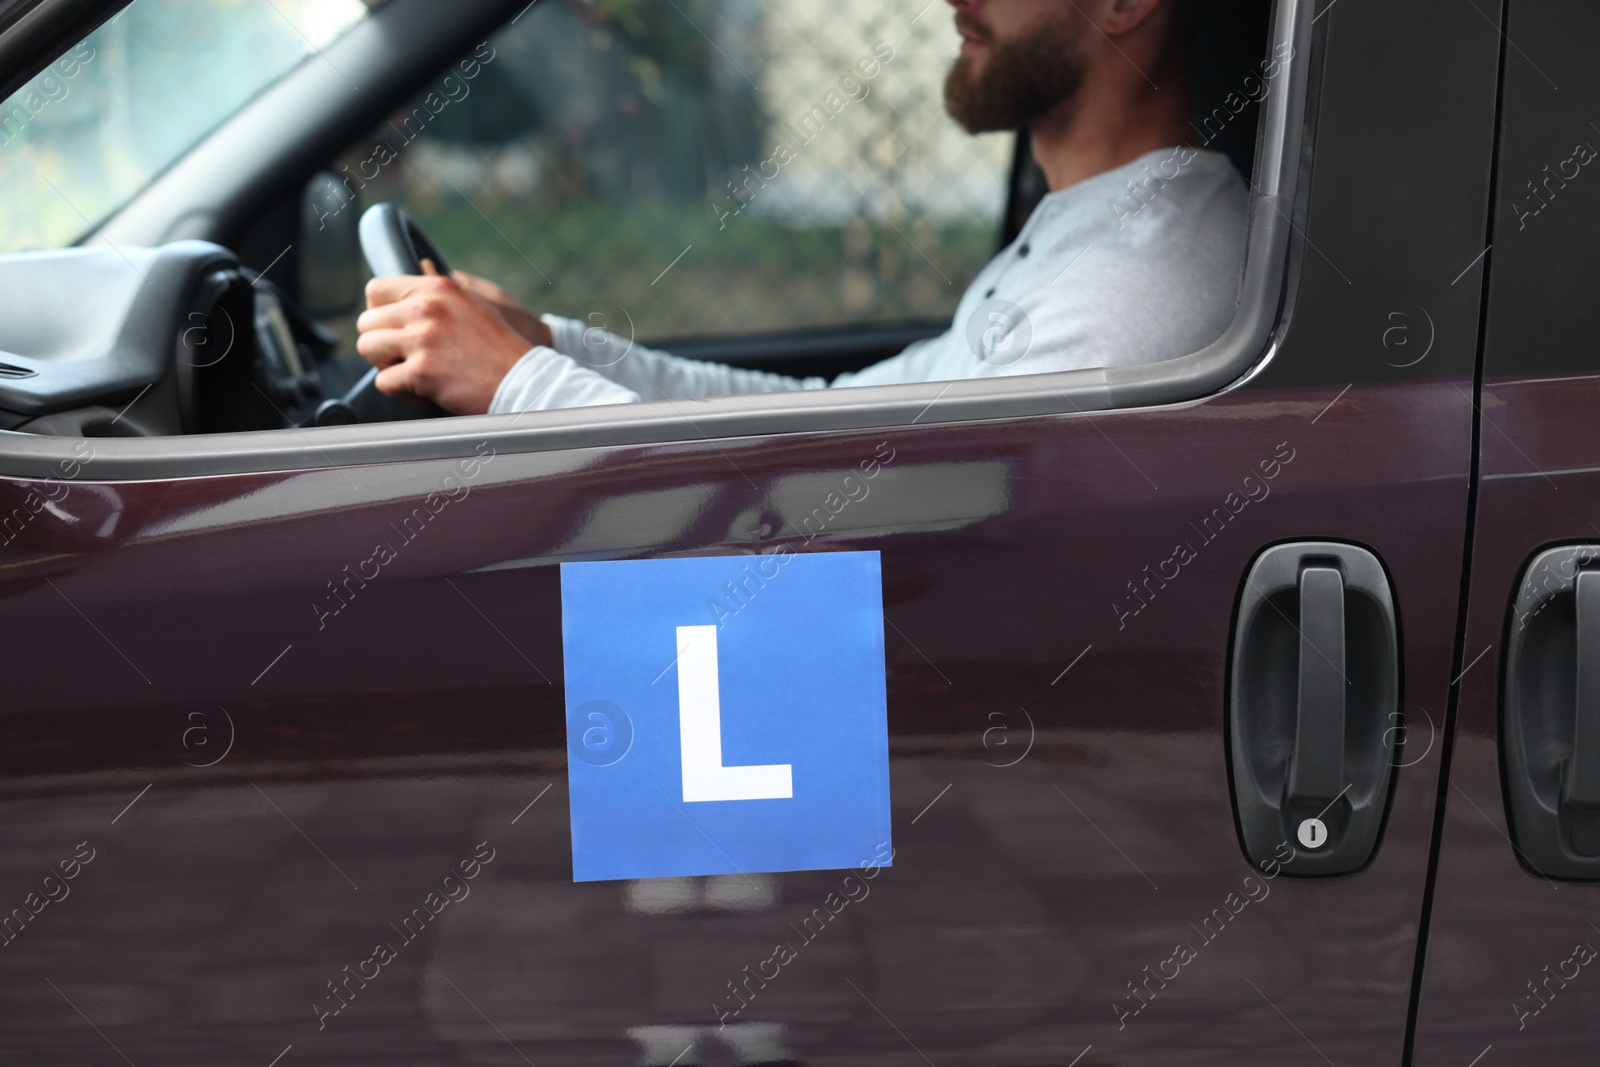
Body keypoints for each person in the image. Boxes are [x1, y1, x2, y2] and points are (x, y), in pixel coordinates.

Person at [355, 0, 1247, 416]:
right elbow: (824, 412)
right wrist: (552, 345)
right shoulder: (1091, 225)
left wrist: (517, 384)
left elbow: (821, 528)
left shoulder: (1128, 289)